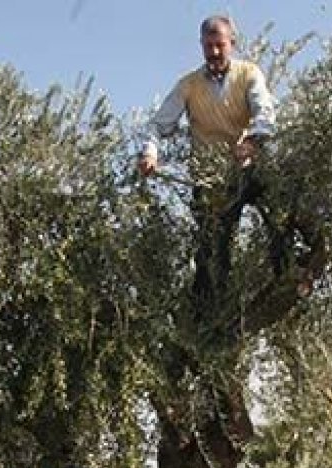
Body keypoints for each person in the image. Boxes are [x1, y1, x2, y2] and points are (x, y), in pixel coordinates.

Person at [137, 15, 283, 310]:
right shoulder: (189, 86)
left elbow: (265, 113)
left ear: (232, 43)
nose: (214, 52)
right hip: (208, 181)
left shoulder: (249, 74)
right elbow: (156, 126)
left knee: (282, 215)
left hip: (245, 171)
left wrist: (252, 142)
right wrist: (150, 153)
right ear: (201, 46)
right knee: (212, 254)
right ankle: (210, 320)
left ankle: (286, 280)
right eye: (208, 46)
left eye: (220, 45)